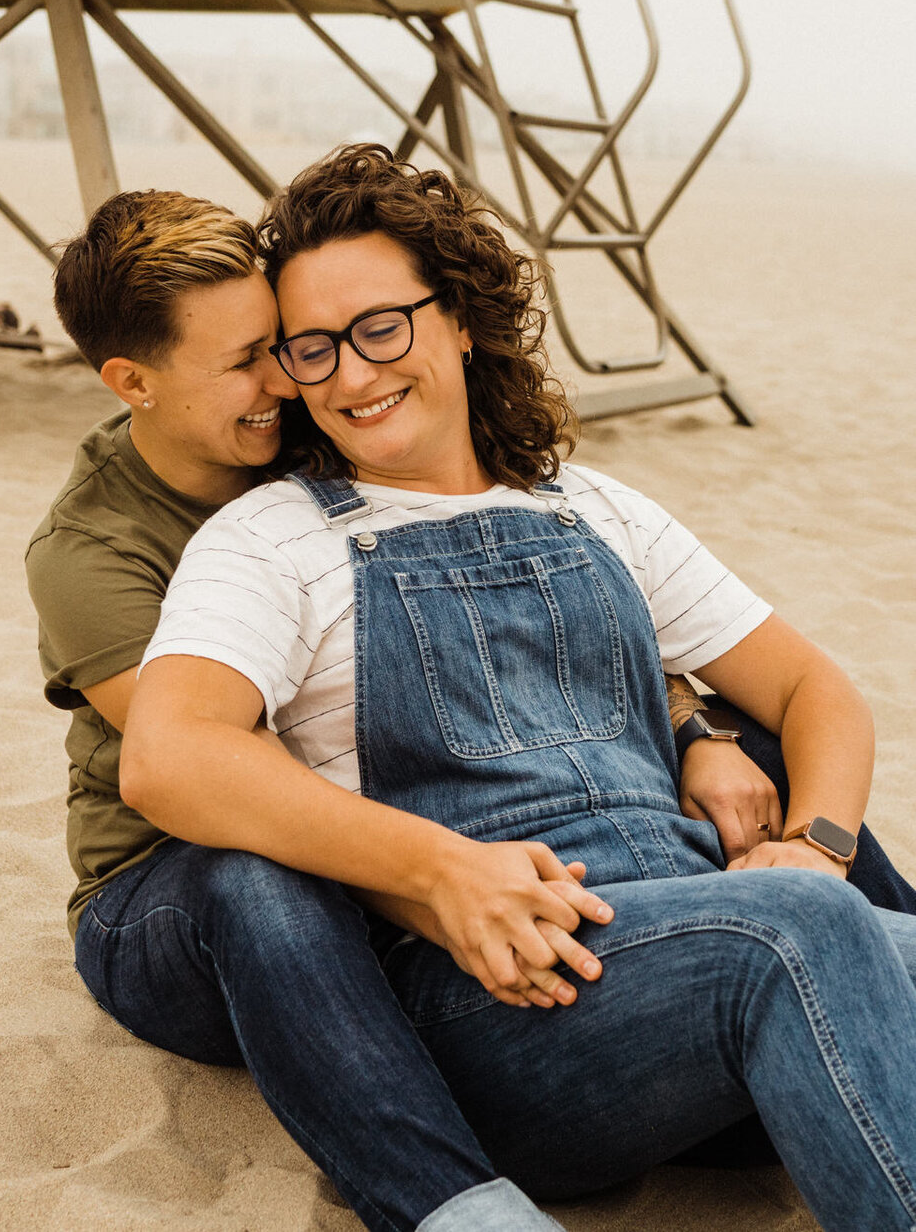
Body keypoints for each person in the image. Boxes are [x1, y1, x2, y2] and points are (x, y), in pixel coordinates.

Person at [121, 145, 916, 1232]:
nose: (351, 375)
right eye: (312, 350)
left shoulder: (589, 506)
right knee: (804, 929)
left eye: (379, 328)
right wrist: (440, 871)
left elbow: (813, 688)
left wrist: (814, 845)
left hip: (706, 949)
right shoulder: (272, 539)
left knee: (814, 916)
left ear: (456, 315)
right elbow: (169, 754)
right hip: (511, 998)